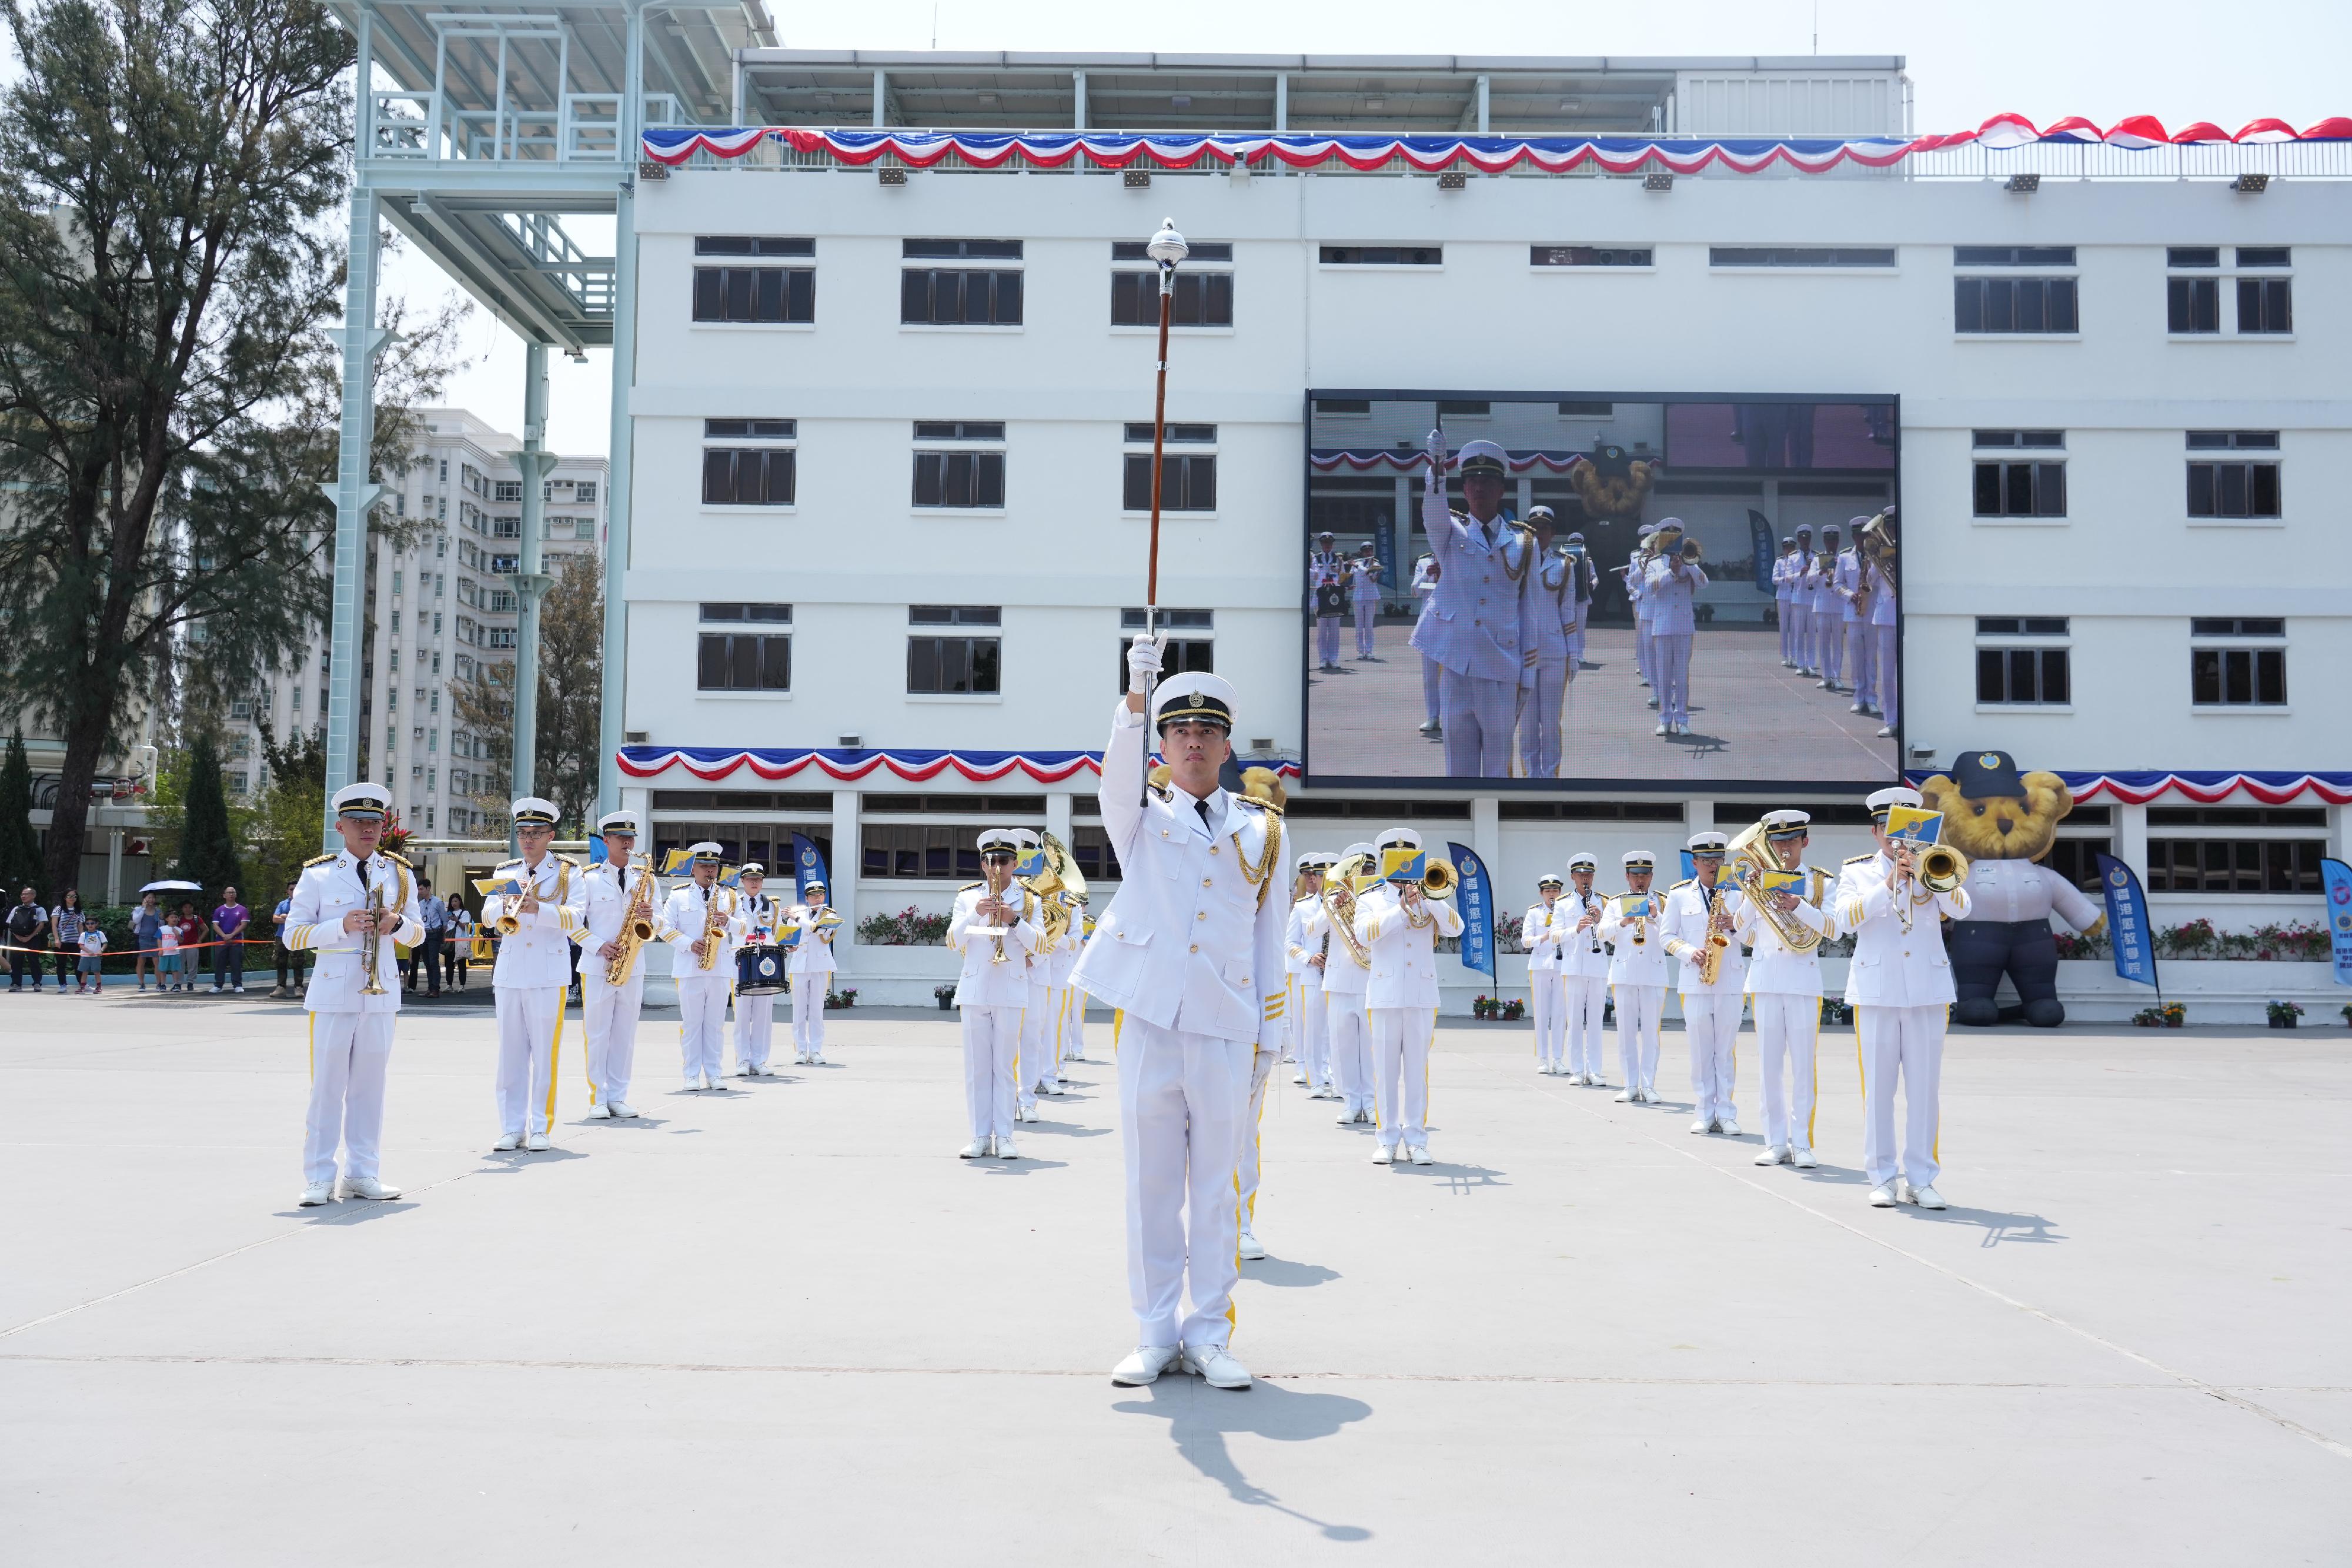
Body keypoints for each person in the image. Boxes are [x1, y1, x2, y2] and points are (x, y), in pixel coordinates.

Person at [1075, 655, 1284, 1393]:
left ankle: (1210, 1333)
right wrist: (1136, 694)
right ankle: (1155, 1332)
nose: (1192, 742)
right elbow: (1114, 777)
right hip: (1152, 1022)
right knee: (1152, 1186)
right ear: (1159, 747)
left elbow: (1269, 937)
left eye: (1206, 731)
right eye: (1178, 731)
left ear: (1228, 748)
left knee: (1218, 1191)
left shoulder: (1262, 831)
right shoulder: (1138, 818)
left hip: (1227, 1025)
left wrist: (1271, 1037)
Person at [283, 782, 424, 1206]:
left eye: (375, 822)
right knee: (326, 1087)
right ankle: (319, 1177)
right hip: (333, 994)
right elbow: (292, 936)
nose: (368, 829)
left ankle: (363, 1171)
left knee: (370, 1088)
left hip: (380, 995)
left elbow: (419, 934)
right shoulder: (319, 874)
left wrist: (396, 924)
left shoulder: (399, 873)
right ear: (340, 826)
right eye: (359, 822)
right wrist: (341, 926)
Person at [1838, 787, 1973, 1209]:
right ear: (1876, 831)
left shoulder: (1936, 863)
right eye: (1888, 830)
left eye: (1908, 831)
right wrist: (1890, 881)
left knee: (1925, 1091)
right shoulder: (1857, 872)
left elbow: (1964, 907)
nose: (1897, 840)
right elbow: (1843, 920)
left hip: (1928, 994)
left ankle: (1922, 1178)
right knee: (1878, 1091)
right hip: (1877, 993)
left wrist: (1930, 875)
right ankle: (1881, 1177)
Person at [1411, 433, 1537, 777]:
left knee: (1498, 770)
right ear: (1464, 489)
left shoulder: (1524, 542)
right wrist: (1437, 470)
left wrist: (1528, 674)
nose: (1479, 487)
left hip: (1501, 668)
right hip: (1458, 668)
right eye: (1472, 481)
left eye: (1488, 481)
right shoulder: (1451, 533)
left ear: (1501, 490)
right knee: (1458, 770)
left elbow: (1530, 611)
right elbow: (1433, 512)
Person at [1734, 810, 1838, 1169]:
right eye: (1776, 842)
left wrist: (1801, 906)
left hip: (1804, 981)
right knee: (1769, 1066)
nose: (1783, 848)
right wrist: (1752, 889)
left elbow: (1835, 929)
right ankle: (1775, 1141)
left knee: (1804, 1066)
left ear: (1804, 842)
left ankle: (1803, 1143)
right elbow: (1736, 926)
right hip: (1765, 981)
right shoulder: (1757, 878)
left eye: (1790, 841)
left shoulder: (1821, 883)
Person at [1354, 828, 1463, 1165]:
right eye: (1395, 858)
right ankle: (1386, 1139)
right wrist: (1401, 910)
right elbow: (1364, 934)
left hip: (1421, 994)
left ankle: (1416, 1139)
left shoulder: (1431, 896)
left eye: (1409, 857)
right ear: (1386, 862)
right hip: (1385, 994)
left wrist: (1428, 900)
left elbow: (1456, 929)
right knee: (1385, 1071)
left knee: (1417, 1070)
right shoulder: (1371, 898)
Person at [480, 797, 583, 1151]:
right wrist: (503, 908)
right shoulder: (506, 870)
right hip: (509, 971)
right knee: (510, 1055)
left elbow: (578, 918)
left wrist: (541, 908)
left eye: (536, 833)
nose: (528, 840)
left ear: (550, 835)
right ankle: (511, 1127)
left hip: (547, 971)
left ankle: (540, 1126)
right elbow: (487, 915)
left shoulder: (569, 872)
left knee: (544, 1053)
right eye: (523, 833)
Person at [948, 829, 1040, 1159]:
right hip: (974, 990)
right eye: (991, 861)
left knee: (1003, 1067)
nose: (997, 867)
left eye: (1003, 861)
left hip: (1010, 990)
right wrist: (978, 913)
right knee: (976, 1068)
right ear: (983, 865)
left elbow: (1041, 947)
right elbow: (953, 941)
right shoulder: (967, 898)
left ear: (1015, 863)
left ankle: (1006, 1137)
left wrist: (1015, 920)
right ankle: (979, 1136)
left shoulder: (1030, 900)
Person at [1662, 833, 1747, 1135]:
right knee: (1700, 1050)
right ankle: (1704, 1111)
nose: (1713, 866)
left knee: (1725, 1050)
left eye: (1718, 860)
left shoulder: (1740, 894)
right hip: (1696, 979)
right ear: (1695, 863)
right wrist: (1689, 952)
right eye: (1707, 861)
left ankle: (1726, 1112)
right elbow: (1667, 936)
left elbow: (1754, 937)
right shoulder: (1679, 894)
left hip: (1731, 979)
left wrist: (1735, 925)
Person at [572, 812, 653, 1118]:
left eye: (630, 838)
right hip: (597, 965)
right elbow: (573, 924)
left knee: (625, 1033)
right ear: (606, 841)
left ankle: (619, 1095)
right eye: (620, 838)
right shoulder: (587, 878)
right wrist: (598, 946)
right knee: (597, 1033)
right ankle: (597, 1097)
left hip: (633, 964)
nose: (627, 843)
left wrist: (649, 917)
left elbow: (658, 921)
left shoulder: (645, 879)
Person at [1304, 840, 1378, 1128]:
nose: (1361, 875)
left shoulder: (1376, 898)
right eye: (1357, 871)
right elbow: (1311, 930)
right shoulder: (1333, 900)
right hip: (1338, 982)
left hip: (1370, 979)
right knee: (1342, 1046)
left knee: (1370, 1047)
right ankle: (1351, 1102)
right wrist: (1329, 906)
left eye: (1367, 870)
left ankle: (1371, 1103)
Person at [658, 840, 741, 1092]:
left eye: (713, 867)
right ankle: (691, 1074)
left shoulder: (729, 896)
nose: (709, 872)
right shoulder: (678, 895)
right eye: (704, 866)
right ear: (693, 868)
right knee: (692, 1024)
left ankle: (715, 1073)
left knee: (715, 1024)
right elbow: (664, 927)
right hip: (690, 968)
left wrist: (730, 922)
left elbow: (746, 930)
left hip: (720, 967)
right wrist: (687, 943)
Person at [1516, 509, 1576, 777]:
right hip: (1523, 652)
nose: (1539, 533)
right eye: (1534, 528)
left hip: (1554, 651)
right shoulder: (1516, 560)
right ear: (1526, 531)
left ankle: (1550, 777)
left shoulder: (1565, 564)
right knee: (1527, 724)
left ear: (1552, 533)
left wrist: (1573, 653)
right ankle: (1531, 777)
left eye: (1544, 528)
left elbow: (1568, 611)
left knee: (1551, 722)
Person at [1605, 850, 1668, 1104]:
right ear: (1627, 877)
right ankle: (1630, 1084)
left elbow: (1673, 934)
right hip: (1624, 972)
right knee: (1626, 1032)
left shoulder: (1664, 902)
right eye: (1635, 876)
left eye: (1644, 875)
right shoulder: (1615, 903)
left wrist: (1655, 916)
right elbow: (1602, 932)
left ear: (1651, 876)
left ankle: (1649, 1085)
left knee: (1652, 1032)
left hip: (1653, 973)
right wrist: (1623, 921)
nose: (1640, 880)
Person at [1644, 524, 1707, 738]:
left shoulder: (1689, 559)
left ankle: (1682, 720)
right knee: (1663, 676)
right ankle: (1664, 719)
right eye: (1668, 536)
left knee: (1681, 677)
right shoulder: (1655, 564)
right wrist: (1671, 572)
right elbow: (1650, 587)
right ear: (1661, 538)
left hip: (1683, 626)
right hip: (1662, 626)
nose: (1672, 540)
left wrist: (1688, 565)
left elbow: (1704, 583)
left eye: (1675, 536)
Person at [1558, 853, 1612, 1086]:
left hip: (1598, 967)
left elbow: (1611, 936)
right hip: (1573, 966)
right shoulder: (1562, 904)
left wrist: (1600, 922)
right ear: (1572, 877)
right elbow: (1554, 935)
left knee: (1596, 1021)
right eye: (1580, 875)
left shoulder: (1605, 902)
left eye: (1589, 875)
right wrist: (1576, 929)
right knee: (1575, 1020)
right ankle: (1577, 1070)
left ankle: (1595, 1070)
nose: (1585, 879)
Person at [725, 862, 780, 1077]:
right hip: (740, 962)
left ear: (763, 882)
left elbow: (779, 932)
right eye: (750, 879)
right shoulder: (733, 904)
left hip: (766, 964)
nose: (754, 882)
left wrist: (788, 942)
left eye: (758, 879)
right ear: (743, 881)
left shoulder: (772, 905)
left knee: (763, 1015)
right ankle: (742, 1061)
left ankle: (759, 1060)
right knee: (742, 1015)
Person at [1284, 853, 1333, 1095]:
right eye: (1322, 875)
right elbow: (1291, 943)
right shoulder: (1303, 908)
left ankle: (1336, 1077)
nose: (1325, 879)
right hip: (1313, 975)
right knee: (1312, 1029)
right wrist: (1308, 958)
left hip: (1340, 976)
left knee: (1337, 1031)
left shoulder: (1353, 904)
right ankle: (1315, 1079)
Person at [786, 873, 839, 1068]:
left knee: (817, 1010)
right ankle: (801, 1049)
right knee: (798, 1011)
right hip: (799, 966)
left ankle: (815, 1050)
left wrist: (797, 918)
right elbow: (789, 936)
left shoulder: (830, 915)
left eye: (821, 895)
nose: (818, 899)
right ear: (807, 897)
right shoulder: (798, 913)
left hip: (820, 966)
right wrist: (788, 946)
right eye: (814, 896)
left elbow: (816, 929)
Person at [1524, 873, 1565, 1074]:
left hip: (1561, 966)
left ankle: (1558, 1058)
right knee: (1541, 1014)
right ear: (1541, 893)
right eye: (1548, 891)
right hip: (1540, 965)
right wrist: (1543, 937)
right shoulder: (1534, 913)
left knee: (1560, 1013)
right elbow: (1525, 940)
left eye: (1555, 891)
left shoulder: (1566, 911)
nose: (1552, 895)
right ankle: (1543, 1058)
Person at [1836, 523, 1874, 718]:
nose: (1862, 539)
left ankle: (1872, 698)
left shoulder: (1877, 557)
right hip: (1853, 613)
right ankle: (1859, 698)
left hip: (1872, 613)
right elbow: (1837, 584)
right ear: (1854, 538)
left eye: (1865, 535)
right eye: (1859, 536)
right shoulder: (1844, 558)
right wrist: (1850, 595)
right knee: (1857, 658)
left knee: (1872, 658)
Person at [1867, 541, 1899, 739]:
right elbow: (1870, 583)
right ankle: (1891, 721)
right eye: (1888, 526)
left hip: (1905, 615)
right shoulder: (1881, 554)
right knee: (1887, 674)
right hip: (1886, 616)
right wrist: (1877, 561)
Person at [1409, 551, 1442, 735]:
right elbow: (1414, 591)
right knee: (1430, 676)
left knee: (1452, 677)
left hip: (1453, 624)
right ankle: (1432, 716)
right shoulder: (1423, 561)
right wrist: (1427, 573)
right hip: (1429, 624)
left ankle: (1453, 717)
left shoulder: (1456, 556)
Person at [1810, 524, 1845, 691]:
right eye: (1829, 540)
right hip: (1822, 605)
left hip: (1838, 605)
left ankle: (1837, 676)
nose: (1832, 544)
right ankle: (1826, 676)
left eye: (1834, 540)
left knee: (1838, 643)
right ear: (1824, 541)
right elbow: (1809, 579)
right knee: (1823, 643)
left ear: (1838, 541)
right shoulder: (1817, 559)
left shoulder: (1844, 558)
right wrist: (1821, 572)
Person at [1309, 531, 1347, 674]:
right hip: (1320, 596)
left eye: (1329, 543)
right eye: (1325, 543)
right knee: (1322, 631)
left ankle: (1334, 658)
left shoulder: (1338, 558)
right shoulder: (1316, 558)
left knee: (1335, 631)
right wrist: (1316, 574)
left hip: (1334, 597)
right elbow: (1312, 574)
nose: (1327, 546)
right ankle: (1323, 659)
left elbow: (1343, 575)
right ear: (1321, 544)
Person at [1786, 526, 1816, 677]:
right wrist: (1800, 573)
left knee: (1811, 633)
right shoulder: (1792, 557)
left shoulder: (1816, 556)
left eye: (1807, 539)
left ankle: (1811, 664)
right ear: (1798, 540)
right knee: (1798, 632)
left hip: (1812, 599)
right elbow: (1787, 578)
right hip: (1798, 598)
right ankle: (1800, 664)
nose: (1805, 541)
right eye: (1803, 539)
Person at [412, 880, 449, 998]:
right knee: (427, 962)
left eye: (422, 889)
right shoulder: (420, 904)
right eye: (419, 889)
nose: (420, 892)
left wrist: (442, 935)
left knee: (434, 961)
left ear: (429, 888)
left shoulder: (438, 902)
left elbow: (444, 920)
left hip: (434, 933)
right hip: (424, 934)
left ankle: (435, 989)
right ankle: (430, 988)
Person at [209, 887, 249, 994]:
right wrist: (224, 936)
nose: (231, 894)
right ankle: (218, 985)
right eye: (229, 893)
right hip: (221, 941)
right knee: (219, 963)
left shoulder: (242, 910)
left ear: (236, 895)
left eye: (233, 892)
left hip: (236, 941)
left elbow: (243, 924)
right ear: (224, 895)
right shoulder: (219, 910)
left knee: (236, 963)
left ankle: (237, 985)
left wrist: (231, 935)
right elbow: (215, 926)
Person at [8, 888, 49, 992]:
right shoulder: (16, 909)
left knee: (34, 960)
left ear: (33, 895)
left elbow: (41, 924)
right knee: (16, 961)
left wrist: (30, 937)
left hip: (33, 938)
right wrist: (18, 937)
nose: (23, 896)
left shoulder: (40, 909)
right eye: (22, 894)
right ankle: (16, 984)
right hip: (17, 938)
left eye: (26, 894)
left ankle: (37, 983)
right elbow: (10, 924)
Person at [1348, 541, 1382, 661]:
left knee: (1369, 626)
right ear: (1362, 552)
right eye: (1366, 551)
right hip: (1358, 597)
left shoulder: (1376, 563)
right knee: (1359, 626)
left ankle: (1369, 651)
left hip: (1371, 597)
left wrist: (1357, 566)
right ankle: (1360, 651)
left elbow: (1372, 578)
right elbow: (1351, 578)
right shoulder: (1357, 563)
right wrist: (1348, 585)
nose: (1369, 553)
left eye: (1370, 551)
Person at [270, 881, 303, 998]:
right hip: (281, 936)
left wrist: (284, 916)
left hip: (296, 936)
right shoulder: (282, 904)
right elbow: (275, 919)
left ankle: (298, 987)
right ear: (287, 891)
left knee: (298, 962)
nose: (293, 891)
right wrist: (289, 918)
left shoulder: (303, 904)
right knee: (280, 961)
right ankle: (281, 987)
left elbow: (302, 919)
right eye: (291, 889)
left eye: (296, 889)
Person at [1773, 535, 1800, 667]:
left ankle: (1794, 656)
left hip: (1795, 596)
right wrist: (1785, 579)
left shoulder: (1797, 560)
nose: (1789, 550)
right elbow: (1774, 579)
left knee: (1795, 627)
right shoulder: (1779, 562)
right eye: (1786, 548)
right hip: (1783, 596)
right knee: (1784, 627)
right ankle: (1785, 655)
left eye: (1791, 547)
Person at [132, 892, 163, 991]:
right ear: (144, 899)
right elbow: (136, 920)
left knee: (157, 962)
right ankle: (142, 984)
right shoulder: (137, 909)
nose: (151, 899)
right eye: (149, 897)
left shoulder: (158, 911)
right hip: (142, 939)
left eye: (154, 897)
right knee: (141, 961)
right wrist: (143, 908)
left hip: (155, 939)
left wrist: (162, 918)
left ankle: (159, 984)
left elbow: (161, 925)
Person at [76, 917, 108, 994]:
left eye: (92, 923)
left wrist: (101, 950)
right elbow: (81, 945)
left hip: (96, 957)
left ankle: (99, 987)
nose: (90, 925)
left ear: (96, 924)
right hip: (85, 956)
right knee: (84, 972)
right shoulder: (84, 934)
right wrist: (89, 951)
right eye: (88, 924)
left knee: (97, 972)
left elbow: (105, 944)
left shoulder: (100, 933)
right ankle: (83, 987)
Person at [449, 904, 476, 990]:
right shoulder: (449, 913)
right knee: (449, 964)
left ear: (460, 901)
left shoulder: (465, 913)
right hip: (450, 941)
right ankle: (449, 985)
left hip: (461, 941)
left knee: (461, 963)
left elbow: (465, 928)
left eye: (456, 901)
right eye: (452, 901)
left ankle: (462, 985)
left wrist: (457, 920)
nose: (454, 903)